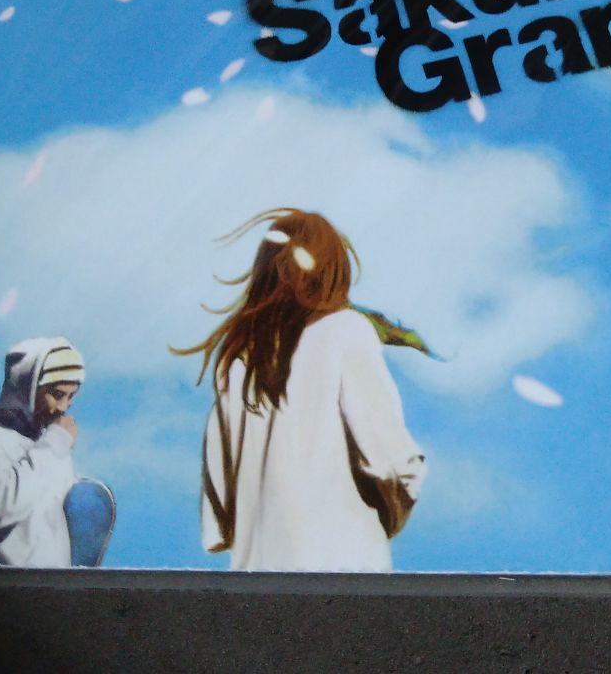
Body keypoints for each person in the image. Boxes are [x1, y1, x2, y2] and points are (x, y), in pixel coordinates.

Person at [173, 209, 426, 572]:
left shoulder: (240, 357)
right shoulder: (346, 331)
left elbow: (219, 497)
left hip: (257, 576)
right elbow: (388, 453)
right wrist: (399, 496)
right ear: (333, 271)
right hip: (345, 569)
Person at [0, 336, 85, 567]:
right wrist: (56, 443)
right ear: (27, 388)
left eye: (71, 396)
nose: (63, 407)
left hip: (49, 586)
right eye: (57, 394)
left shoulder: (48, 443)